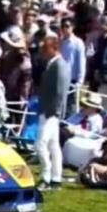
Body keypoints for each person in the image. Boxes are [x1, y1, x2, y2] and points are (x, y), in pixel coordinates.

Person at [35, 33, 70, 191]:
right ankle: (56, 178)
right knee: (53, 146)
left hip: (50, 113)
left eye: (45, 47)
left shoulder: (60, 65)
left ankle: (46, 176)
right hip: (47, 110)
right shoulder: (52, 64)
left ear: (54, 48)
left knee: (40, 144)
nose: (42, 51)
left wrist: (53, 112)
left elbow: (60, 92)